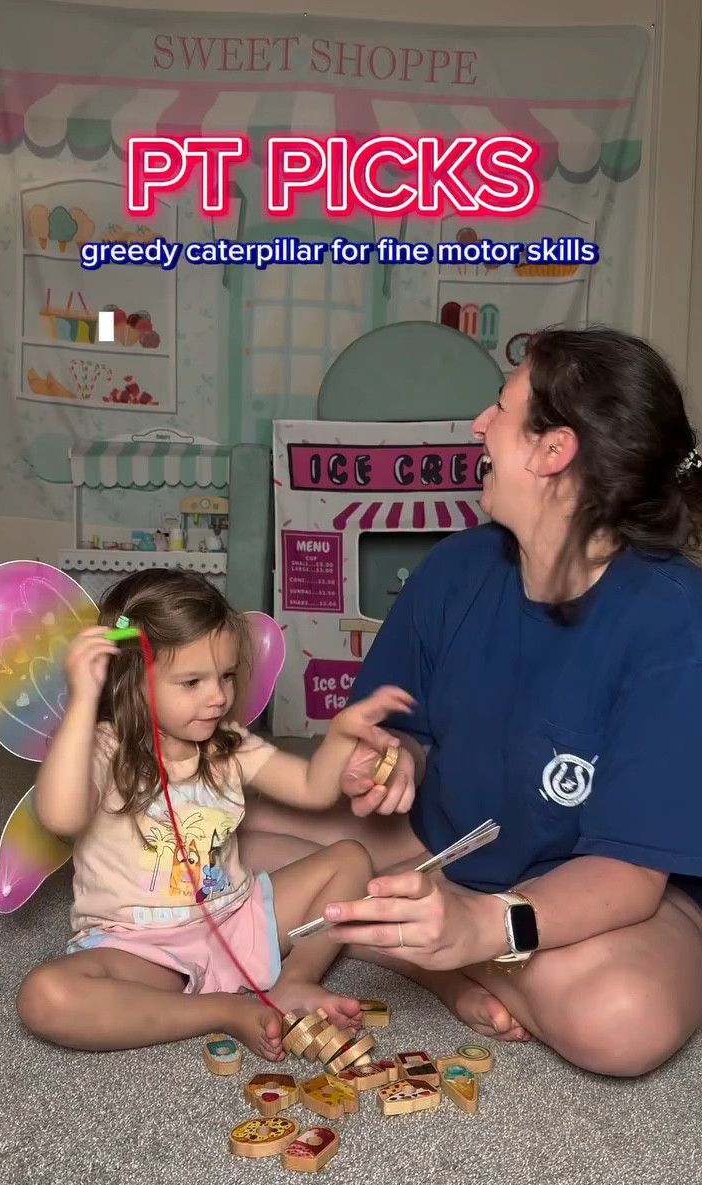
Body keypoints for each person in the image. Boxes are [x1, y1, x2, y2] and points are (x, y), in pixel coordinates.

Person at [238, 325, 702, 1078]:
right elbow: (397, 727)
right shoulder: (457, 567)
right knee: (215, 825)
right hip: (445, 841)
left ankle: (427, 938)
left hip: (598, 893)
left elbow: (628, 875)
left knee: (623, 1019)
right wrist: (392, 759)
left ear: (553, 452)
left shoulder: (674, 622)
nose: (479, 426)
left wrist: (482, 925)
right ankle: (430, 951)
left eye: (501, 408)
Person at [16, 569, 412, 1057]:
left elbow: (312, 787)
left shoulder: (227, 743)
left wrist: (342, 734)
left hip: (239, 919)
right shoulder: (101, 747)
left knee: (351, 859)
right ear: (131, 681)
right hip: (143, 947)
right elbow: (59, 817)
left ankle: (295, 980)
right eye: (192, 682)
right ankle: (222, 1010)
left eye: (225, 675)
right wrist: (82, 701)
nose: (219, 696)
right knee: (45, 997)